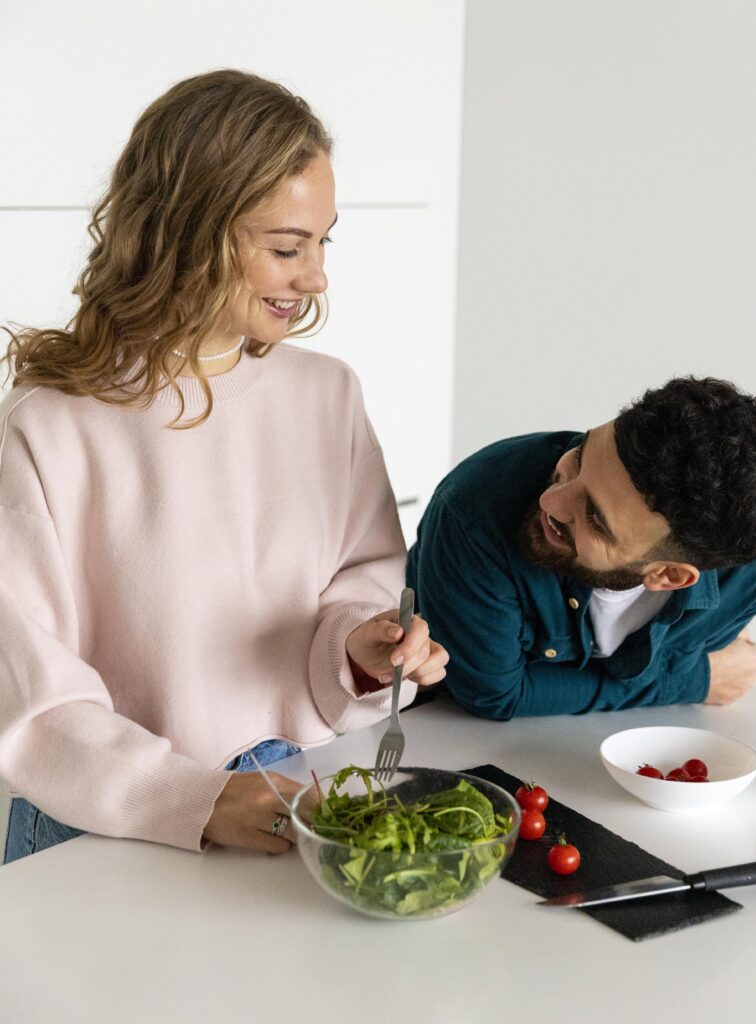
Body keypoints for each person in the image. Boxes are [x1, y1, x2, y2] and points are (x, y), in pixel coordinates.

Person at [0, 70, 448, 864]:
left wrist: (361, 646)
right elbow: (30, 693)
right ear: (186, 232)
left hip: (291, 791)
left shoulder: (326, 395)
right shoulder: (48, 424)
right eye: (286, 247)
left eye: (320, 242)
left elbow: (358, 582)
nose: (314, 278)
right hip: (104, 825)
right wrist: (194, 799)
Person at [407, 377, 756, 719]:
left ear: (669, 576)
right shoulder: (475, 511)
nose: (551, 502)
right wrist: (695, 680)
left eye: (594, 517)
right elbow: (494, 695)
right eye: (579, 458)